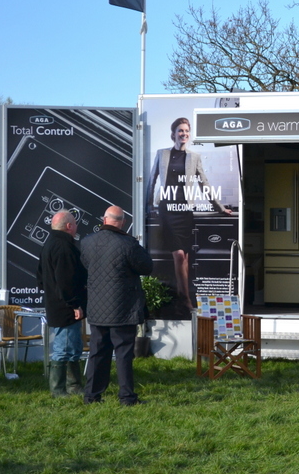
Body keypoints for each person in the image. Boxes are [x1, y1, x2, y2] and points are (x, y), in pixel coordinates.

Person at [146, 117, 233, 313]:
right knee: (178, 255)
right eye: (180, 130)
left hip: (185, 211)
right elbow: (152, 180)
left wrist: (219, 207)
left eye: (186, 131)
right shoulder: (162, 154)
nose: (183, 134)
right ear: (173, 134)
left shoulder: (194, 157)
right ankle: (185, 299)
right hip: (168, 210)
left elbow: (204, 183)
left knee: (184, 256)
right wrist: (149, 205)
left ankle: (182, 296)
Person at [81, 206, 153, 405]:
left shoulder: (87, 242)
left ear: (104, 220)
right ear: (122, 222)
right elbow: (147, 267)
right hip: (123, 308)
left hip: (97, 308)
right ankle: (127, 397)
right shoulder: (128, 243)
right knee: (123, 354)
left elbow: (85, 266)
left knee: (97, 353)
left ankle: (91, 396)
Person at [36, 209, 87, 397]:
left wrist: (52, 293)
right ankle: (58, 390)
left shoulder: (49, 244)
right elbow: (67, 281)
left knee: (73, 347)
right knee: (64, 348)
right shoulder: (64, 247)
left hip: (56, 304)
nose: (76, 227)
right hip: (66, 308)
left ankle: (74, 386)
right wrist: (74, 304)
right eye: (75, 224)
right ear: (69, 226)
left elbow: (40, 277)